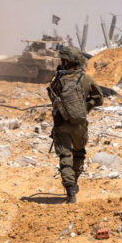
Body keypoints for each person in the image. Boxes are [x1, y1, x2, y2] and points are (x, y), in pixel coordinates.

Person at [48, 46, 103, 203]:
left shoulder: (58, 79)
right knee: (78, 153)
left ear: (66, 61)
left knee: (65, 156)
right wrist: (85, 107)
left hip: (61, 123)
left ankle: (70, 189)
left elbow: (51, 95)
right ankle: (75, 181)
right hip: (79, 124)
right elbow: (99, 98)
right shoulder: (86, 79)